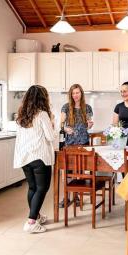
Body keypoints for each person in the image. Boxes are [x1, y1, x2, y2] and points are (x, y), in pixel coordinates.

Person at [14, 85, 55, 233]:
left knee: (32, 187)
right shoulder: (42, 114)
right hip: (39, 157)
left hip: (25, 157)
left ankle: (36, 215)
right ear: (43, 98)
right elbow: (50, 136)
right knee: (42, 188)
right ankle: (31, 222)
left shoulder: (20, 116)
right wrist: (53, 125)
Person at [59, 83, 94, 207]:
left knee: (80, 170)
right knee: (67, 170)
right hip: (70, 143)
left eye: (77, 93)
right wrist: (66, 128)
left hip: (83, 142)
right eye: (73, 93)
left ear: (81, 94)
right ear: (70, 95)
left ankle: (77, 196)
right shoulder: (66, 107)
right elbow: (61, 124)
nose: (75, 95)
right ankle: (66, 197)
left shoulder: (88, 108)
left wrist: (90, 124)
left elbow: (89, 123)